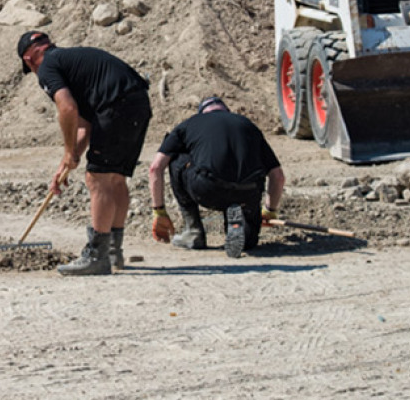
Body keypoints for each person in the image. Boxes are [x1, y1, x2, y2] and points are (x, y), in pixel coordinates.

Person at [17, 31, 152, 276]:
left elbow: (67, 108)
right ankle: (113, 252)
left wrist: (69, 152)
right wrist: (69, 160)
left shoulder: (47, 66)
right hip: (137, 103)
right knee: (115, 178)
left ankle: (97, 256)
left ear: (29, 59)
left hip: (115, 107)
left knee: (97, 179)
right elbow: (86, 126)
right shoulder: (74, 60)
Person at [147, 95, 285, 258]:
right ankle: (242, 231)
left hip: (208, 188)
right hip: (248, 192)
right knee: (248, 235)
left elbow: (155, 168)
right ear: (227, 111)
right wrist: (269, 210)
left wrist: (159, 211)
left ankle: (193, 230)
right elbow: (277, 176)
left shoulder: (189, 124)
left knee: (176, 158)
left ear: (202, 113)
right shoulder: (248, 126)